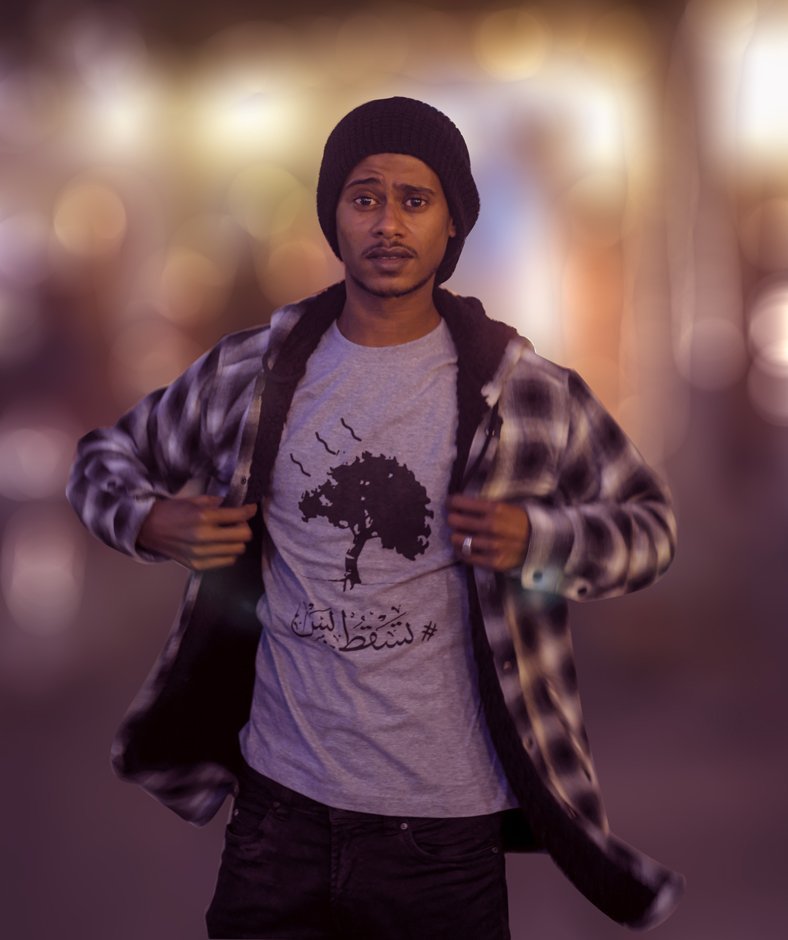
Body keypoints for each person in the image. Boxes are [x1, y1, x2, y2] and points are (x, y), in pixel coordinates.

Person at [67, 97, 684, 939]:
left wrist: (539, 541)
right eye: (364, 198)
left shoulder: (524, 388)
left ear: (451, 223)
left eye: (414, 199)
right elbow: (102, 460)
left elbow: (649, 528)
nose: (387, 223)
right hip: (276, 818)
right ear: (335, 217)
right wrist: (147, 522)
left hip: (442, 837)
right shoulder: (255, 369)